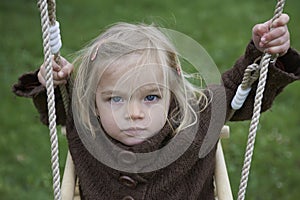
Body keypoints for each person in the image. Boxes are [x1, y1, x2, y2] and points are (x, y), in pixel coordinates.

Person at [13, 14, 300, 200]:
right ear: (94, 102)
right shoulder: (87, 124)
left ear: (170, 89)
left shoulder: (194, 119)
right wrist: (53, 82)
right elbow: (58, 105)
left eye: (151, 97)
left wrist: (264, 53)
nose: (134, 114)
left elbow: (240, 89)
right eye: (115, 99)